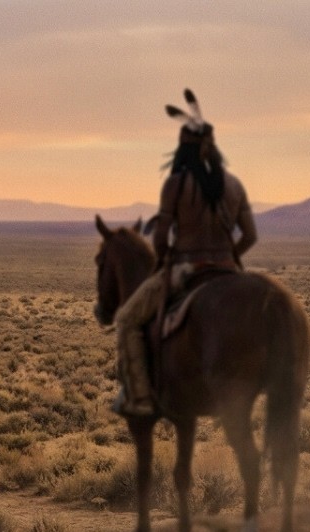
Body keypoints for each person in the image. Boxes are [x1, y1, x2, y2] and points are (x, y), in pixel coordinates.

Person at [113, 89, 258, 416]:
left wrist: (163, 263)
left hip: (186, 270)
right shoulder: (234, 185)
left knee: (125, 320)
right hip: (226, 269)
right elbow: (249, 235)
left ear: (184, 149)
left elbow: (161, 239)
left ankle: (141, 398)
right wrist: (230, 258)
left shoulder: (175, 185)